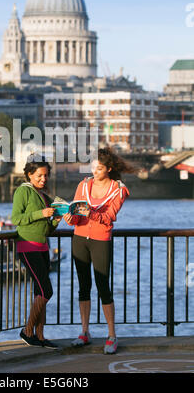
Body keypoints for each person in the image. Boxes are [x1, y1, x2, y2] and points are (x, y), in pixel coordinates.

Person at [64, 147, 134, 354]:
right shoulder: (83, 185)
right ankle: (84, 332)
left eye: (100, 168)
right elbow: (76, 213)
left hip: (101, 240)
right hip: (79, 238)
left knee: (103, 286)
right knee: (83, 286)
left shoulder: (118, 190)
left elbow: (109, 217)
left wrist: (90, 212)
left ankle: (112, 335)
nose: (95, 171)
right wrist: (71, 218)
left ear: (109, 169)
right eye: (93, 167)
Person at [11, 155, 62, 349]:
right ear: (29, 175)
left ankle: (40, 336)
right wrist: (41, 214)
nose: (44, 179)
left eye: (46, 175)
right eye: (40, 175)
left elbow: (47, 230)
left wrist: (57, 219)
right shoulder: (22, 192)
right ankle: (27, 331)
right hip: (27, 247)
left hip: (42, 247)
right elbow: (16, 218)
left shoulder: (44, 196)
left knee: (38, 292)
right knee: (46, 290)